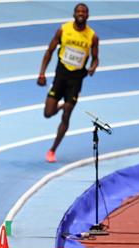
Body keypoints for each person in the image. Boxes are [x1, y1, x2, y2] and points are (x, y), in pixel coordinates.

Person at [37, 3, 99, 162]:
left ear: (88, 15)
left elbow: (95, 58)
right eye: (78, 11)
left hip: (76, 80)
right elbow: (49, 51)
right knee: (48, 113)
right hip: (60, 76)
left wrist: (93, 67)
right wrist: (42, 73)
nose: (81, 14)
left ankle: (52, 150)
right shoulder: (63, 30)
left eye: (84, 11)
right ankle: (61, 104)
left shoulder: (92, 36)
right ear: (73, 14)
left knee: (67, 116)